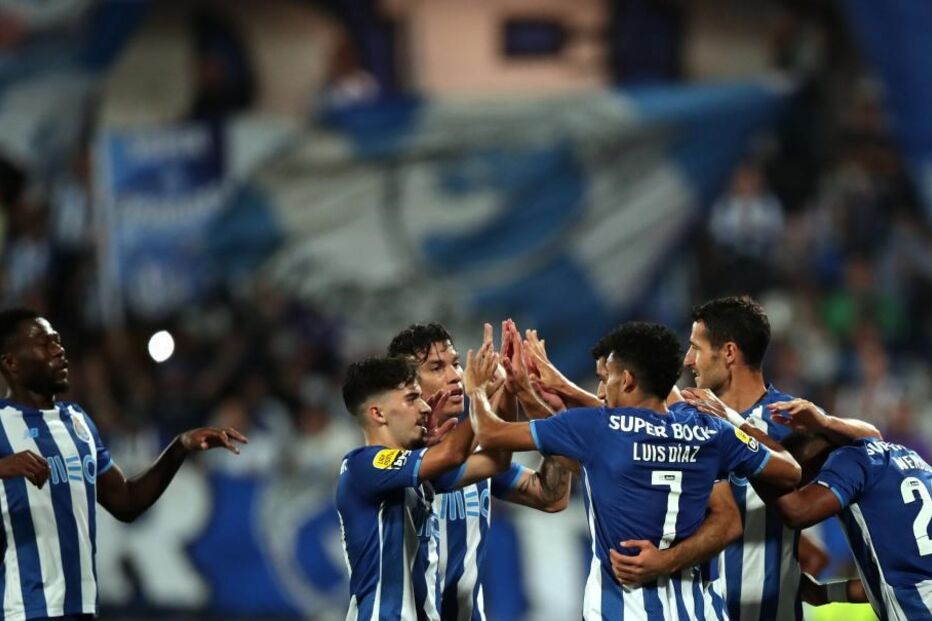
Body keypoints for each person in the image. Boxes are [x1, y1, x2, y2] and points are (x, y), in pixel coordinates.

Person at [468, 321, 801, 619]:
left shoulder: (599, 429)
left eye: (604, 378)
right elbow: (786, 475)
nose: (601, 389)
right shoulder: (709, 431)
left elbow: (490, 432)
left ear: (626, 379)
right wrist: (734, 421)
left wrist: (482, 387)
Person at [0, 307, 247, 621]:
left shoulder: (78, 422)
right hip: (22, 610)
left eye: (58, 342)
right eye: (44, 344)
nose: (59, 351)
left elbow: (127, 502)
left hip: (82, 609)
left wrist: (179, 448)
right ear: (11, 363)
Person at [681, 296, 880, 621]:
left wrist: (826, 423)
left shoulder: (788, 418)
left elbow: (872, 442)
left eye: (696, 348)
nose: (688, 359)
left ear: (729, 353)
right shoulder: (689, 419)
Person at [387, 321, 572, 621]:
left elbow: (551, 496)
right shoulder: (399, 457)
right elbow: (463, 454)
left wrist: (518, 391)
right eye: (436, 367)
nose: (455, 377)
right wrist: (489, 395)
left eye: (456, 364)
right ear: (407, 385)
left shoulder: (475, 457)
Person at [336, 334, 510, 621]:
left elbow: (498, 461)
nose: (426, 408)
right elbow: (453, 454)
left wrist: (509, 388)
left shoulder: (418, 475)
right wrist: (479, 393)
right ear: (378, 413)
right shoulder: (364, 466)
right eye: (412, 398)